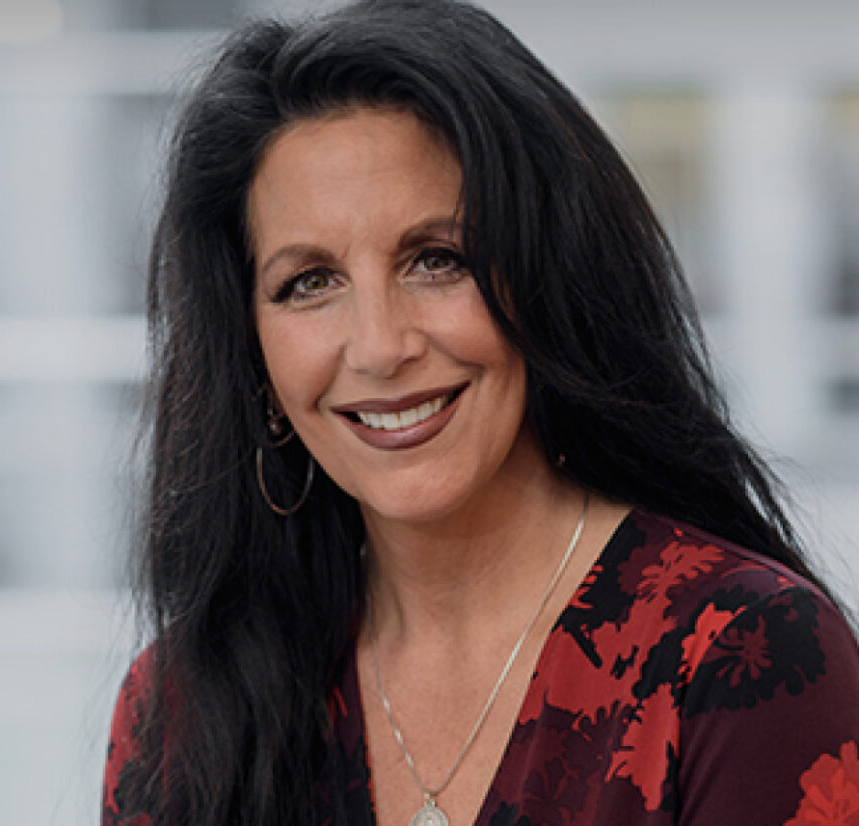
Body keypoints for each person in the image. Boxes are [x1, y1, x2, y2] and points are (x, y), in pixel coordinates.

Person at [101, 1, 859, 825]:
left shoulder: (740, 650)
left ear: (549, 280)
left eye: (437, 259)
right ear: (251, 351)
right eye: (309, 282)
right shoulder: (182, 709)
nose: (380, 347)